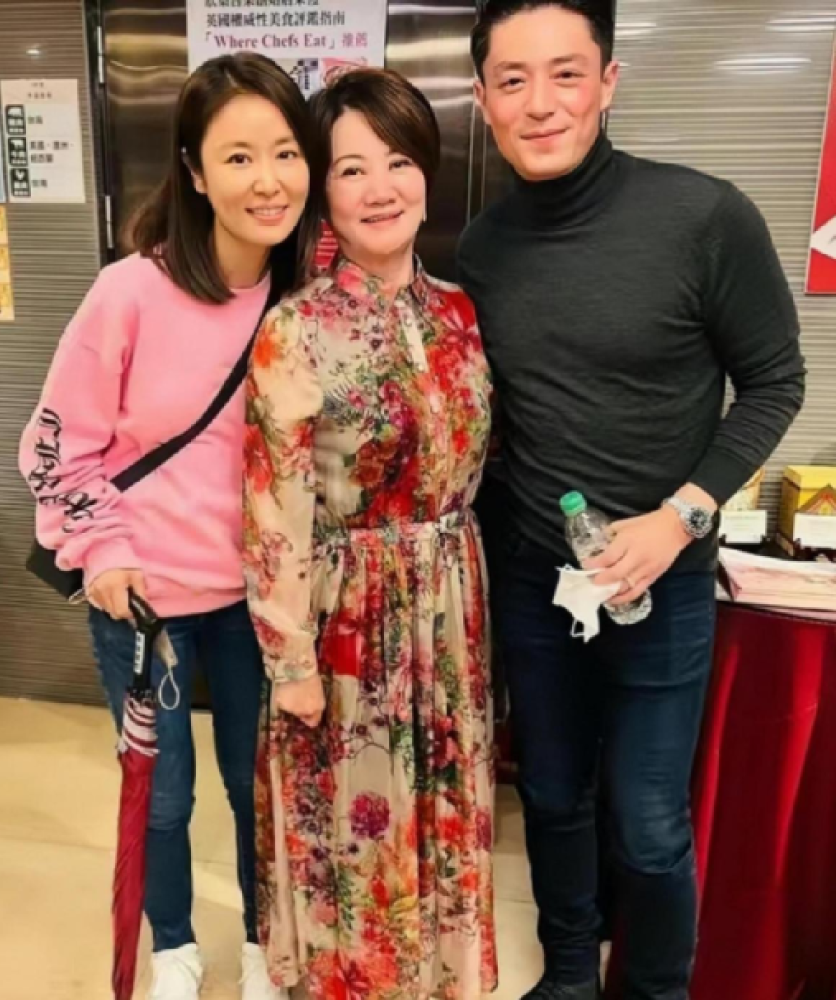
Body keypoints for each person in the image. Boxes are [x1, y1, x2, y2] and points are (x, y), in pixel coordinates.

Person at [457, 3, 806, 1000]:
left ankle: (653, 990)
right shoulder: (480, 249)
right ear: (482, 100)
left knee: (648, 823)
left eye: (565, 74)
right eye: (513, 80)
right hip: (538, 580)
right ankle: (569, 975)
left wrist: (679, 515)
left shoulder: (703, 217)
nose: (539, 104)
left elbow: (774, 381)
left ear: (608, 82)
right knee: (552, 795)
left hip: (665, 580)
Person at [19, 53, 319, 1000]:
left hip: (258, 604)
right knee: (164, 795)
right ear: (193, 172)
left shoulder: (310, 294)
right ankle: (176, 947)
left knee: (259, 787)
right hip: (144, 599)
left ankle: (268, 944)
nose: (267, 180)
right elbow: (55, 446)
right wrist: (103, 554)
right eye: (238, 157)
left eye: (285, 152)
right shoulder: (130, 293)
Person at [243, 68, 497, 1000]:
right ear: (323, 193)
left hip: (451, 613)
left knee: (442, 814)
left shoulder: (460, 311)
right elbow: (272, 509)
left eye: (397, 162)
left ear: (426, 172)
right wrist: (289, 661)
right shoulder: (295, 328)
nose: (379, 188)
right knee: (357, 837)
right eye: (351, 170)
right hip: (347, 624)